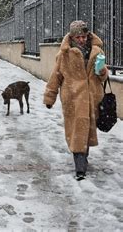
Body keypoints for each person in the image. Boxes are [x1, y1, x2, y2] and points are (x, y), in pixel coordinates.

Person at [43, 20, 108, 180]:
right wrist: (50, 97)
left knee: (86, 130)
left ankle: (82, 158)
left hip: (92, 97)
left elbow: (103, 77)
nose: (82, 40)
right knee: (78, 131)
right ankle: (80, 166)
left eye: (84, 36)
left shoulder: (97, 51)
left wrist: (102, 71)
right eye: (78, 36)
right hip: (73, 97)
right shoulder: (64, 54)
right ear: (72, 37)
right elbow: (56, 76)